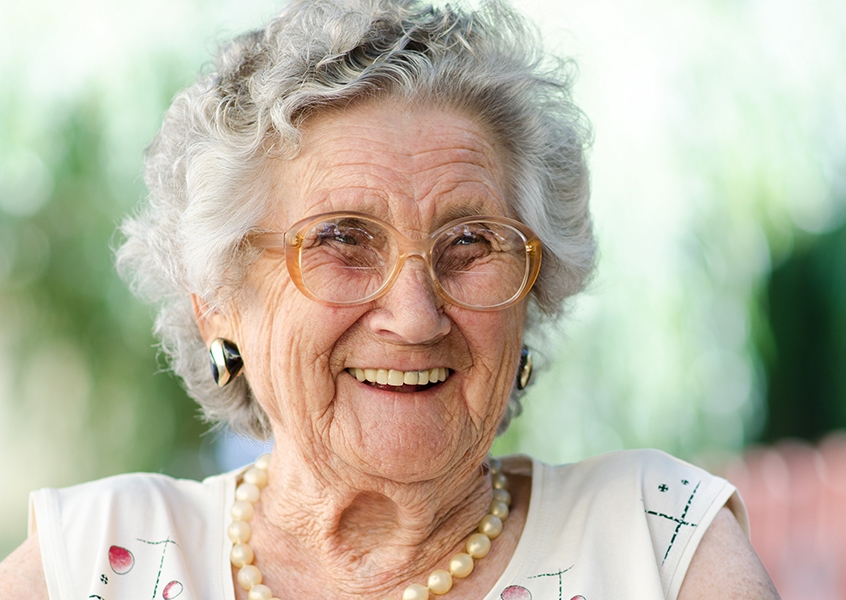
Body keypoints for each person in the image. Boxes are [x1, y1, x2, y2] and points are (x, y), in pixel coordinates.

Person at [0, 0, 780, 598]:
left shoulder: (660, 545)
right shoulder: (91, 562)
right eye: (341, 239)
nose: (414, 314)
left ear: (532, 294)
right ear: (218, 301)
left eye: (470, 243)